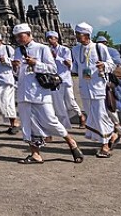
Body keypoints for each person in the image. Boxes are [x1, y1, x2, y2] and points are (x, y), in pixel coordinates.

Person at [12, 23, 84, 165]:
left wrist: (35, 64)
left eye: (21, 36)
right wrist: (15, 67)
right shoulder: (17, 51)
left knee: (51, 120)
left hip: (40, 93)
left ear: (29, 34)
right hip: (23, 93)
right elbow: (17, 74)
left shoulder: (42, 48)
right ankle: (35, 154)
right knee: (28, 124)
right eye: (17, 37)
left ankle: (71, 142)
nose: (19, 39)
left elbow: (52, 68)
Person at [71, 23, 118, 158]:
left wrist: (104, 65)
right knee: (92, 116)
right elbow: (76, 68)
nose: (76, 36)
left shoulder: (99, 47)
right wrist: (68, 66)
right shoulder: (75, 50)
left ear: (86, 35)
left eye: (78, 34)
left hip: (99, 87)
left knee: (100, 115)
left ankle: (105, 145)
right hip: (84, 88)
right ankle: (111, 135)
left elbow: (111, 64)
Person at [47, 30, 84, 129]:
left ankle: (81, 115)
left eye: (51, 38)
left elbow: (69, 63)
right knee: (58, 103)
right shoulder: (47, 51)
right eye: (48, 38)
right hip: (55, 80)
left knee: (70, 101)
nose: (49, 40)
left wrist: (57, 57)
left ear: (56, 39)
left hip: (65, 79)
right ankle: (64, 124)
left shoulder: (65, 50)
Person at [96, 35, 121, 126]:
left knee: (119, 94)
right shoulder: (95, 51)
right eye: (100, 43)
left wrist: (106, 62)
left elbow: (118, 61)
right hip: (101, 77)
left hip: (114, 76)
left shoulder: (112, 51)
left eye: (103, 43)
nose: (102, 45)